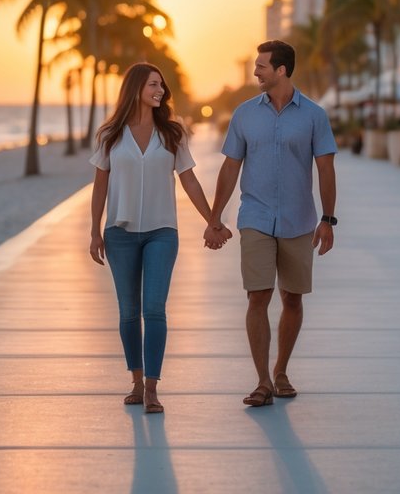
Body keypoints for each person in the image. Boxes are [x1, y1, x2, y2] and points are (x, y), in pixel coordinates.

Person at [89, 62, 226, 415]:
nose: (160, 90)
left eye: (161, 85)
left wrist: (212, 220)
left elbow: (190, 180)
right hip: (119, 234)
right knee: (129, 313)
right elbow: (100, 184)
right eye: (153, 84)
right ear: (136, 88)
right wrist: (94, 230)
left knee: (154, 308)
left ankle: (151, 388)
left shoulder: (172, 132)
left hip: (162, 231)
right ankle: (135, 381)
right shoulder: (110, 134)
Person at [210, 40, 337, 408]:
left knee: (292, 298)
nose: (255, 72)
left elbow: (325, 168)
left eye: (261, 66)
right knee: (258, 295)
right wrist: (216, 216)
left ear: (281, 70)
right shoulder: (244, 115)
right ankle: (263, 381)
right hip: (255, 216)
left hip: (299, 219)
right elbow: (230, 166)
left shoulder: (314, 116)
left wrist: (328, 219)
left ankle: (281, 370)